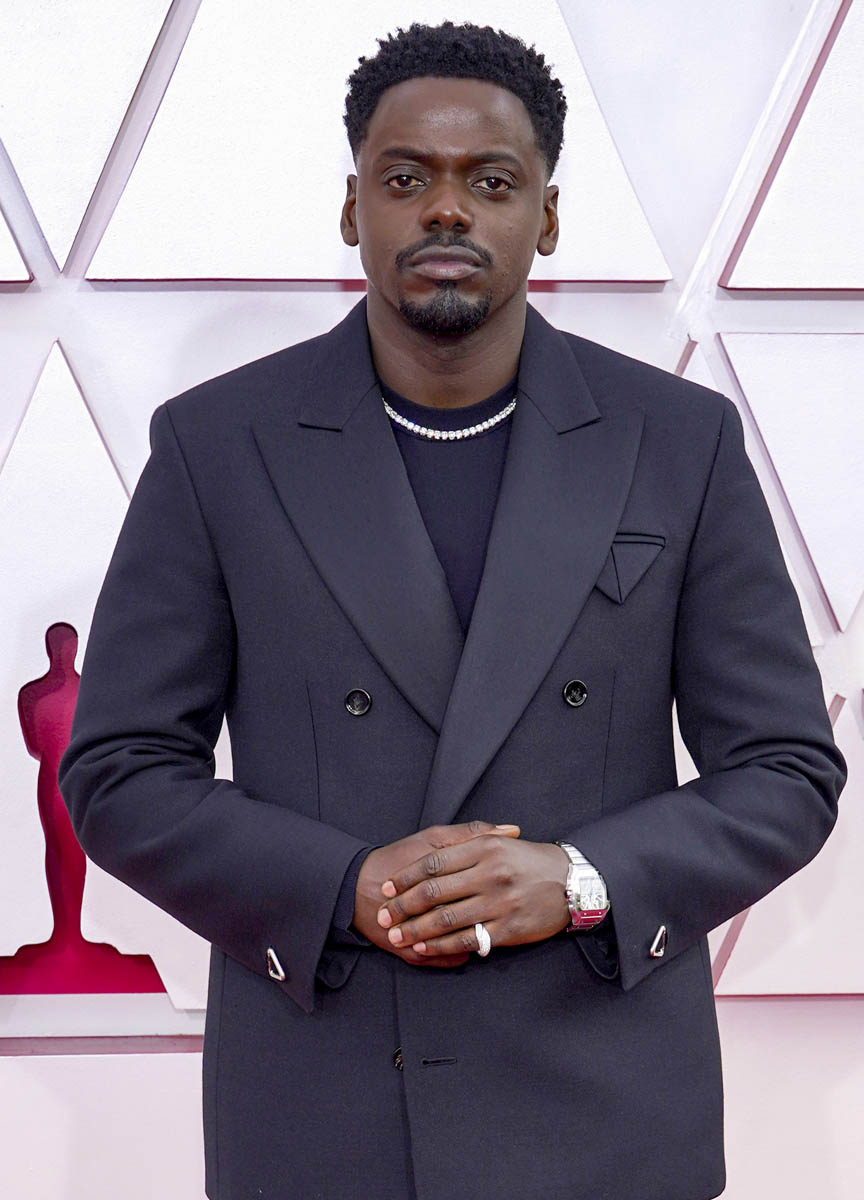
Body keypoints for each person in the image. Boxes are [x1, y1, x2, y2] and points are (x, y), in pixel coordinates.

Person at [58, 20, 847, 1200]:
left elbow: (786, 770)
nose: (445, 210)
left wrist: (580, 878)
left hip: (607, 1115)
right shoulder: (219, 446)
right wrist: (341, 888)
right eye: (405, 179)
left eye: (490, 181)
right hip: (326, 1113)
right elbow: (118, 771)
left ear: (547, 215)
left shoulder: (678, 443)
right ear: (352, 208)